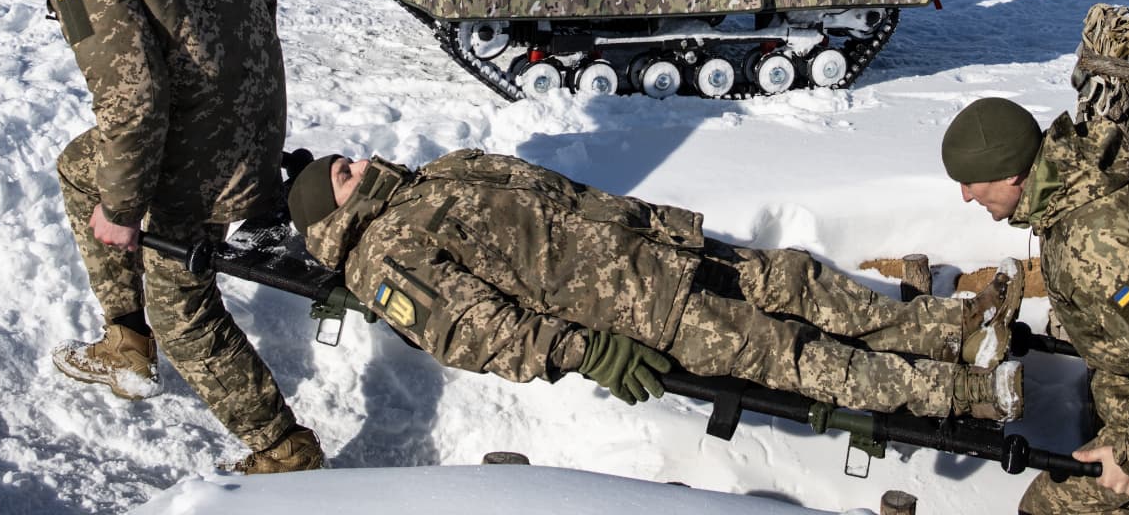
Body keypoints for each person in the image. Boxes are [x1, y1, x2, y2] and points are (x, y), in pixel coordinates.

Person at [0, 0, 322, 475]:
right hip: (257, 114)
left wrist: (121, 210)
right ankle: (124, 339)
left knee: (184, 310)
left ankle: (284, 451)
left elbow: (132, 95)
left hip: (197, 142)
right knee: (78, 167)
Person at [286, 148, 1026, 421]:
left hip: (662, 250)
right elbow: (476, 331)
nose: (357, 164)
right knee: (802, 358)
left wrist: (655, 227)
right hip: (644, 314)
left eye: (345, 159)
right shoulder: (383, 262)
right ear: (334, 216)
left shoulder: (436, 174)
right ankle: (966, 398)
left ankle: (958, 335)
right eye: (343, 176)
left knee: (805, 284)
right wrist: (587, 352)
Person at [943, 97, 1129, 515]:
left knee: (1044, 508)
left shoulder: (1097, 248)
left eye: (970, 181)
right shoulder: (1077, 177)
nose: (964, 195)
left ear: (1013, 173)